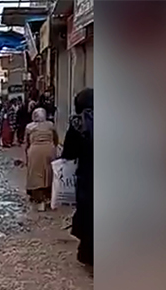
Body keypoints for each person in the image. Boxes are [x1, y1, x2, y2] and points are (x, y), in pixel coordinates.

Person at [61, 88, 93, 266]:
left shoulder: (78, 124)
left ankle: (89, 255)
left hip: (88, 178)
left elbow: (68, 153)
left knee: (89, 215)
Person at [24, 108, 58, 211]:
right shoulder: (50, 125)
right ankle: (49, 197)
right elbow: (56, 139)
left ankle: (39, 201)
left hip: (35, 150)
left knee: (36, 174)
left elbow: (27, 142)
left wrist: (26, 153)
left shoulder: (29, 127)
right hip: (49, 149)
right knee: (49, 173)